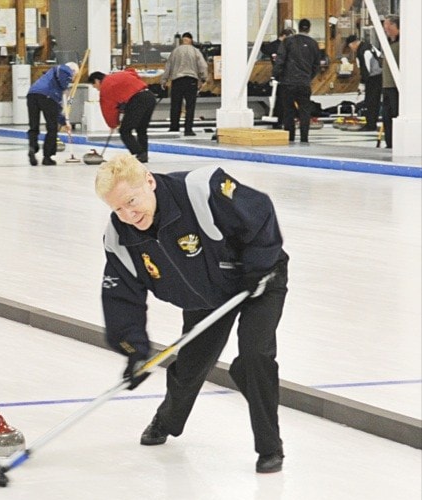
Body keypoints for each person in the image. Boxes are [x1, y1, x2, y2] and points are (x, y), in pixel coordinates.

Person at [94, 154, 289, 474]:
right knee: (190, 366)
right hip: (206, 296)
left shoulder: (202, 189)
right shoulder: (121, 238)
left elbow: (259, 211)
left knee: (255, 357)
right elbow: (121, 298)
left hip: (258, 282)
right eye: (118, 208)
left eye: (131, 200)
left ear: (149, 182)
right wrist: (134, 350)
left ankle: (270, 447)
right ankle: (167, 420)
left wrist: (258, 267)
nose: (128, 214)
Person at [88, 68, 156, 163]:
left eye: (95, 86)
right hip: (149, 96)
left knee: (125, 130)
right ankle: (144, 154)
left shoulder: (105, 86)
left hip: (138, 100)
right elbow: (133, 72)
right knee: (141, 129)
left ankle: (139, 153)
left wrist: (112, 124)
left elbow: (108, 108)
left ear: (96, 80)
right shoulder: (118, 75)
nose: (97, 89)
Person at [272, 18, 320, 143]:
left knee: (288, 111)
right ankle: (304, 137)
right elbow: (316, 65)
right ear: (309, 28)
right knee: (305, 111)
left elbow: (280, 60)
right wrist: (308, 77)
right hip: (304, 83)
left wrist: (276, 75)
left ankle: (290, 137)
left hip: (288, 83)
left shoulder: (288, 41)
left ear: (298, 28)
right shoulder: (314, 44)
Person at [26, 61, 79, 166]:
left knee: (33, 125)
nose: (73, 78)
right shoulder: (66, 70)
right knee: (52, 126)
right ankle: (47, 157)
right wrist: (64, 122)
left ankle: (33, 147)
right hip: (48, 96)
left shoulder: (52, 71)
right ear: (72, 70)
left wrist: (63, 121)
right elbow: (56, 110)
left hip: (32, 94)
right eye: (74, 75)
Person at [159, 31, 208, 136]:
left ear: (182, 40)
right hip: (191, 81)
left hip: (177, 81)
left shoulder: (175, 51)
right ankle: (188, 129)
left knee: (175, 105)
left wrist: (164, 80)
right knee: (190, 106)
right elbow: (203, 66)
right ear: (191, 40)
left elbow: (168, 67)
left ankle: (174, 128)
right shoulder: (196, 51)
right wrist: (203, 78)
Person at [344, 34, 382, 132]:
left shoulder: (363, 51)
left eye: (350, 47)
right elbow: (379, 56)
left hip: (374, 78)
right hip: (378, 76)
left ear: (353, 44)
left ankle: (371, 124)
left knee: (371, 101)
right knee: (373, 101)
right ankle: (371, 122)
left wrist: (363, 83)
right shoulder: (368, 46)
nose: (351, 49)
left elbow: (366, 69)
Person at [261, 28, 294, 128]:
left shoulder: (278, 46)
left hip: (281, 75)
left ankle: (280, 121)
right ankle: (281, 120)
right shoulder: (284, 46)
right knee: (282, 99)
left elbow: (263, 48)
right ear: (284, 36)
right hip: (283, 75)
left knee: (281, 99)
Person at [381, 14, 399, 149]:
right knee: (386, 116)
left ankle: (396, 142)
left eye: (387, 25)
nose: (385, 28)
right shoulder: (389, 44)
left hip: (396, 87)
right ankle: (389, 142)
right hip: (387, 86)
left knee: (394, 114)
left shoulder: (402, 45)